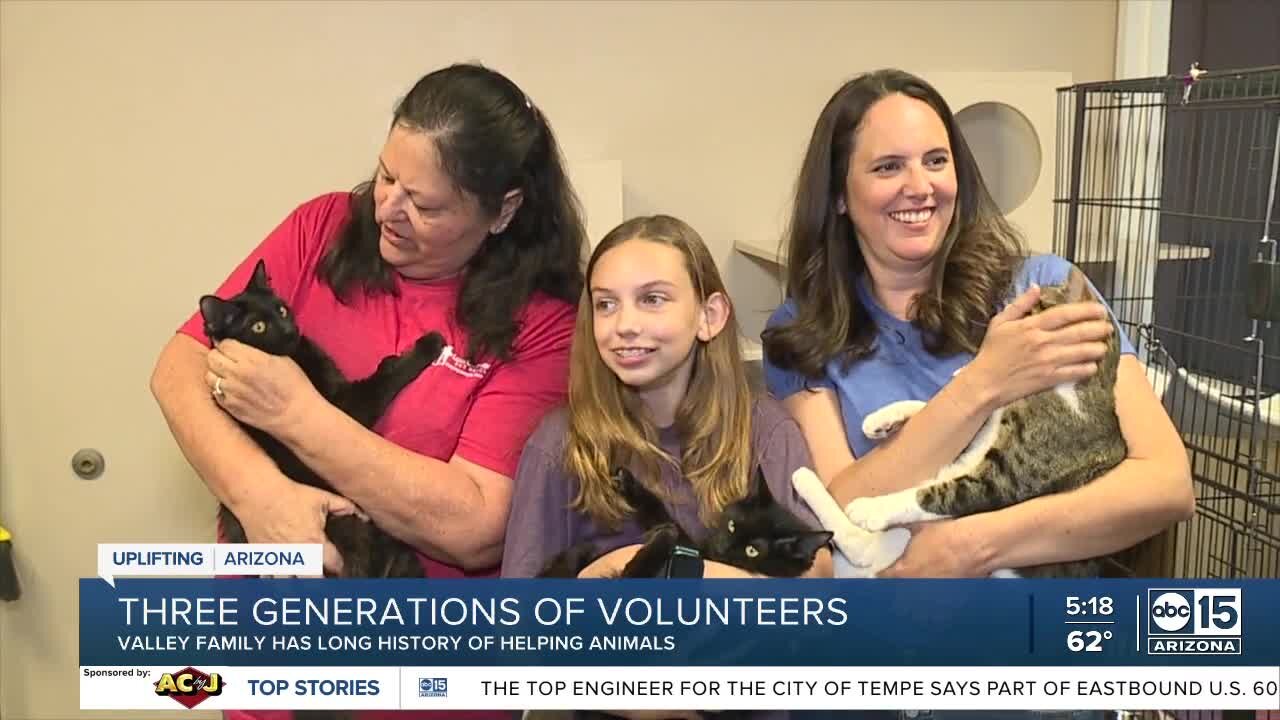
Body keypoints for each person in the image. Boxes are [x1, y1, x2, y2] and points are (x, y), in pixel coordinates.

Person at [150, 62, 585, 720]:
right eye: (387, 177)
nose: (388, 209)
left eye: (426, 204)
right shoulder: (319, 228)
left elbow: (472, 525)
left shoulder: (544, 322)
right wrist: (260, 496)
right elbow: (179, 370)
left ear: (503, 211)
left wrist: (296, 414)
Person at [761, 68, 1195, 583]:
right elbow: (846, 506)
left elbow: (1166, 485)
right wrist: (984, 384)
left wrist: (973, 546)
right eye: (887, 167)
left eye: (936, 161)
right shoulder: (804, 330)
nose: (919, 187)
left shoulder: (1044, 290)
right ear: (839, 194)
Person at [502, 214, 833, 585]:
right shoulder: (560, 443)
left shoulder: (763, 429)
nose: (625, 325)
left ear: (710, 316)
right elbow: (517, 621)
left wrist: (663, 566)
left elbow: (812, 580)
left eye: (652, 299)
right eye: (606, 304)